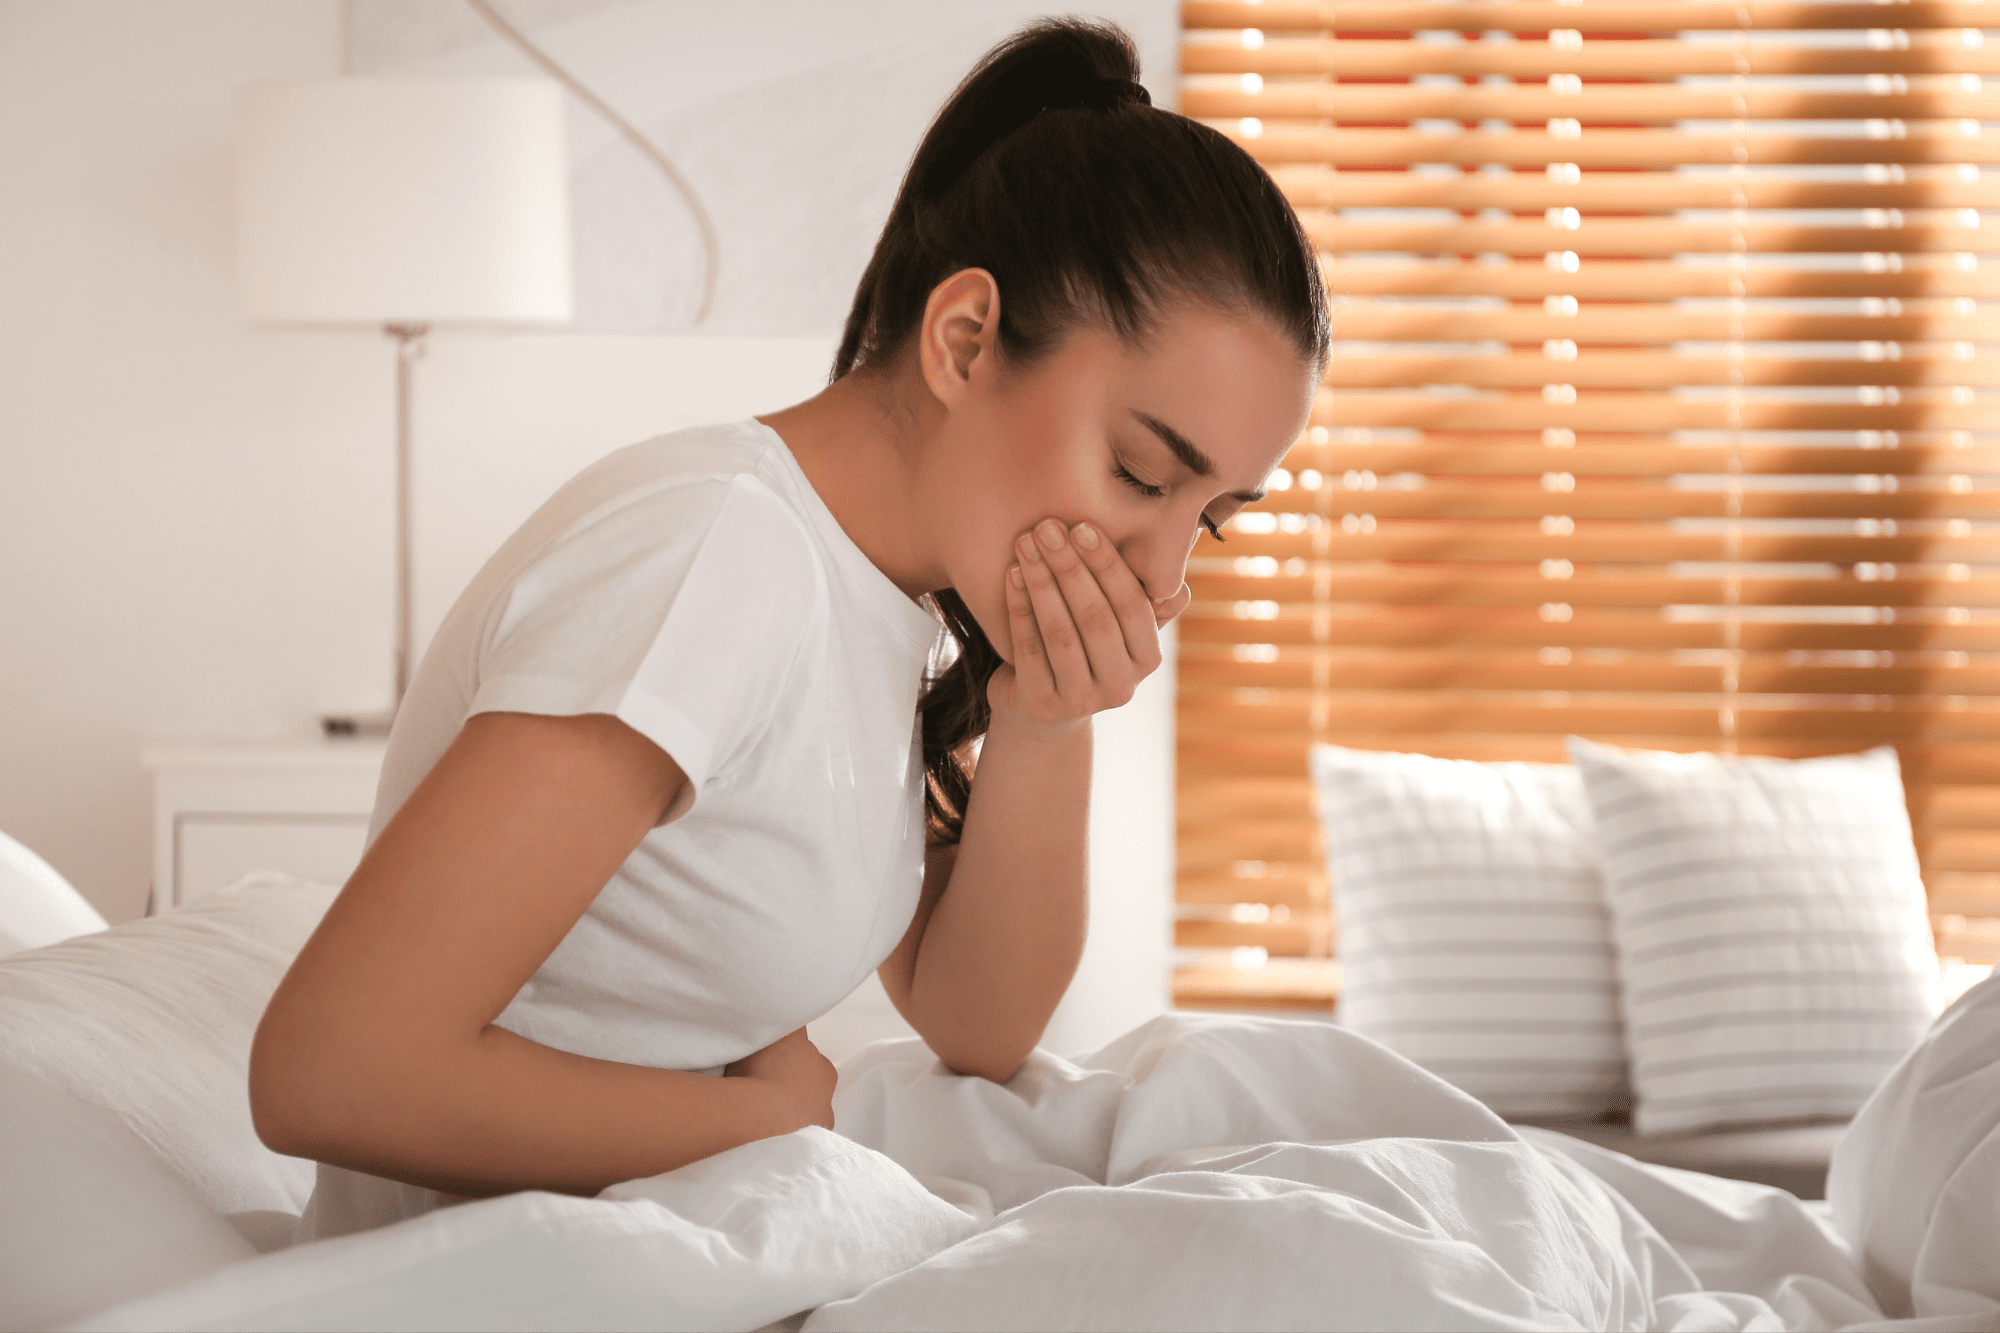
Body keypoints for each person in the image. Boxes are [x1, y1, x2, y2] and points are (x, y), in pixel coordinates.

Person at [250, 15, 1330, 1241]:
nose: (1165, 577)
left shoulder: (888, 599)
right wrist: (763, 1125)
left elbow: (976, 1024)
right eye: (1141, 474)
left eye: (1212, 521)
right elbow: (332, 1068)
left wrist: (1044, 720)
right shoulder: (715, 555)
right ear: (964, 341)